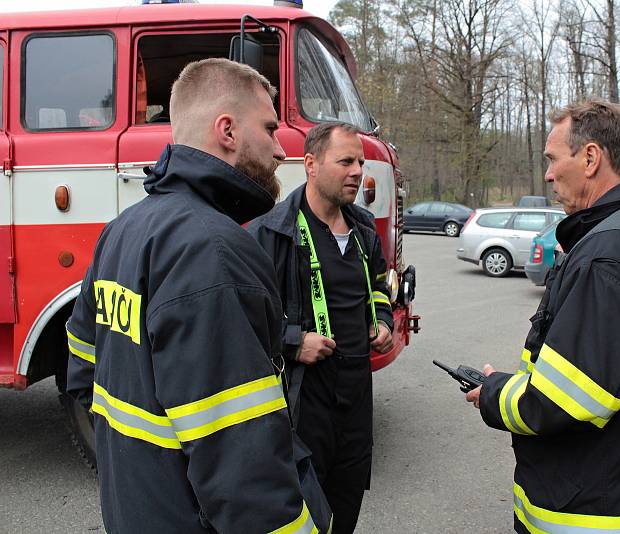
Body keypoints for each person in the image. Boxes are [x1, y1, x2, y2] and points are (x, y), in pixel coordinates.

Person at [65, 58, 330, 533]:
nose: (280, 149)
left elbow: (84, 369)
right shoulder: (215, 251)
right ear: (227, 130)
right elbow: (241, 458)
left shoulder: (122, 230)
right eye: (269, 128)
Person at [466, 99, 620, 533]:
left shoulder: (609, 253)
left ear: (591, 158)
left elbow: (569, 400)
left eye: (554, 160)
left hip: (600, 512)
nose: (549, 174)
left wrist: (496, 394)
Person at [248, 122, 394, 534]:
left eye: (361, 162)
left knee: (346, 505)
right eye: (345, 161)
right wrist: (292, 343)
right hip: (304, 402)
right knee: (304, 512)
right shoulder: (272, 232)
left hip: (356, 398)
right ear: (311, 164)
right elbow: (244, 319)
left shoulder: (364, 229)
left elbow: (378, 287)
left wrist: (380, 319)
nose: (357, 172)